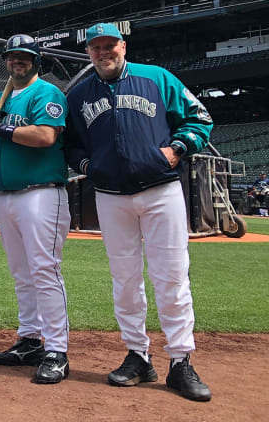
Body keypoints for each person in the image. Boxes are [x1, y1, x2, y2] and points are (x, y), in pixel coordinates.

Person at [65, 22, 214, 401]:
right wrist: (87, 167)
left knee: (172, 276)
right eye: (96, 47)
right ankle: (137, 354)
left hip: (160, 191)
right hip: (111, 196)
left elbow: (200, 118)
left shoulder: (156, 78)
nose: (103, 52)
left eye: (110, 45)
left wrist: (177, 149)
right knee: (125, 279)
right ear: (88, 53)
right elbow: (70, 145)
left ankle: (181, 360)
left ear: (123, 46)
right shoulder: (79, 95)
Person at [0, 34, 71, 384]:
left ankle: (57, 350)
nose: (18, 61)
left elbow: (45, 136)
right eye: (12, 56)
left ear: (36, 61)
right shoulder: (0, 99)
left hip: (40, 193)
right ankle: (30, 338)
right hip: (6, 195)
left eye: (25, 57)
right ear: (6, 61)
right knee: (22, 273)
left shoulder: (46, 93)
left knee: (45, 270)